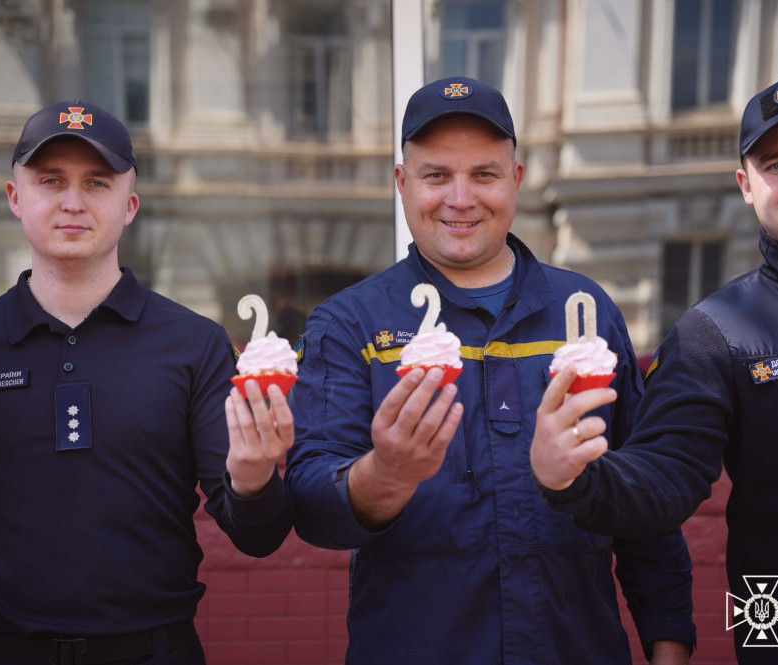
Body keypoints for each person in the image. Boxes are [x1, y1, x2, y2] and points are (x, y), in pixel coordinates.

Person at [285, 77, 695, 665]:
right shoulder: (350, 323)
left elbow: (644, 500)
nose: (461, 198)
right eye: (436, 176)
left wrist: (670, 643)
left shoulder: (585, 313)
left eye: (484, 174)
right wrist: (387, 474)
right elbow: (311, 508)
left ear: (516, 179)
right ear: (402, 184)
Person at [531, 76, 778, 664]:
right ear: (747, 186)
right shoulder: (713, 332)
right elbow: (663, 477)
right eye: (777, 165)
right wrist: (572, 477)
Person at [0, 100, 294, 664]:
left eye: (97, 183)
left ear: (129, 206)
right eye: (51, 180)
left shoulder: (195, 345)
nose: (73, 202)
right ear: (14, 197)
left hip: (153, 651)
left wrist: (253, 478)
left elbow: (259, 537)